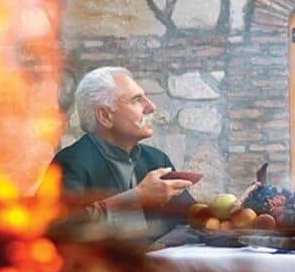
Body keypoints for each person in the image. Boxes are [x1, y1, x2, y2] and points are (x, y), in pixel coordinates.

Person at [48, 66, 196, 234]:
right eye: (136, 100)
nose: (151, 106)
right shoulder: (69, 164)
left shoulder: (156, 159)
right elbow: (60, 229)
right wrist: (138, 198)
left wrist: (214, 216)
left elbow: (189, 218)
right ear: (105, 116)